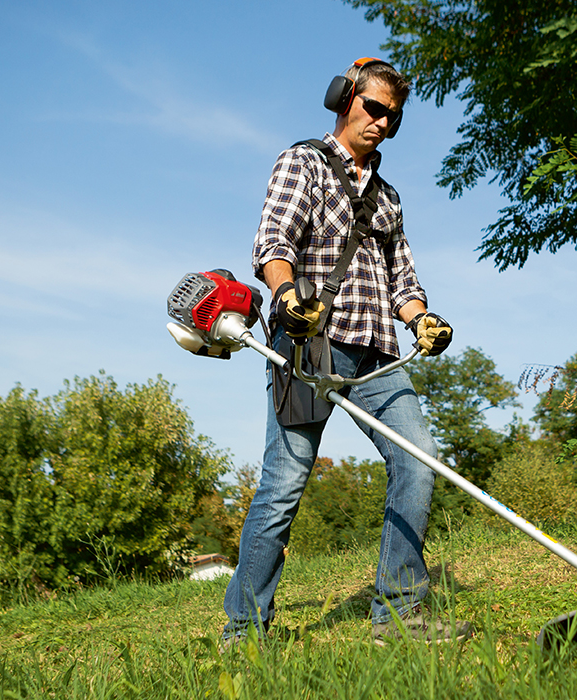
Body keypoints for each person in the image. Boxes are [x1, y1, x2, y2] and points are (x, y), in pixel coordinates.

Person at [222, 58, 470, 646]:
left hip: (379, 352)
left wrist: (423, 321)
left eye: (394, 116)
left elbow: (403, 282)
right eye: (374, 107)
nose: (382, 122)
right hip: (310, 345)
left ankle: (401, 611)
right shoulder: (302, 162)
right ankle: (244, 629)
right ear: (345, 98)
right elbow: (272, 242)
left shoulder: (388, 199)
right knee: (284, 483)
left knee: (418, 460)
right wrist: (286, 294)